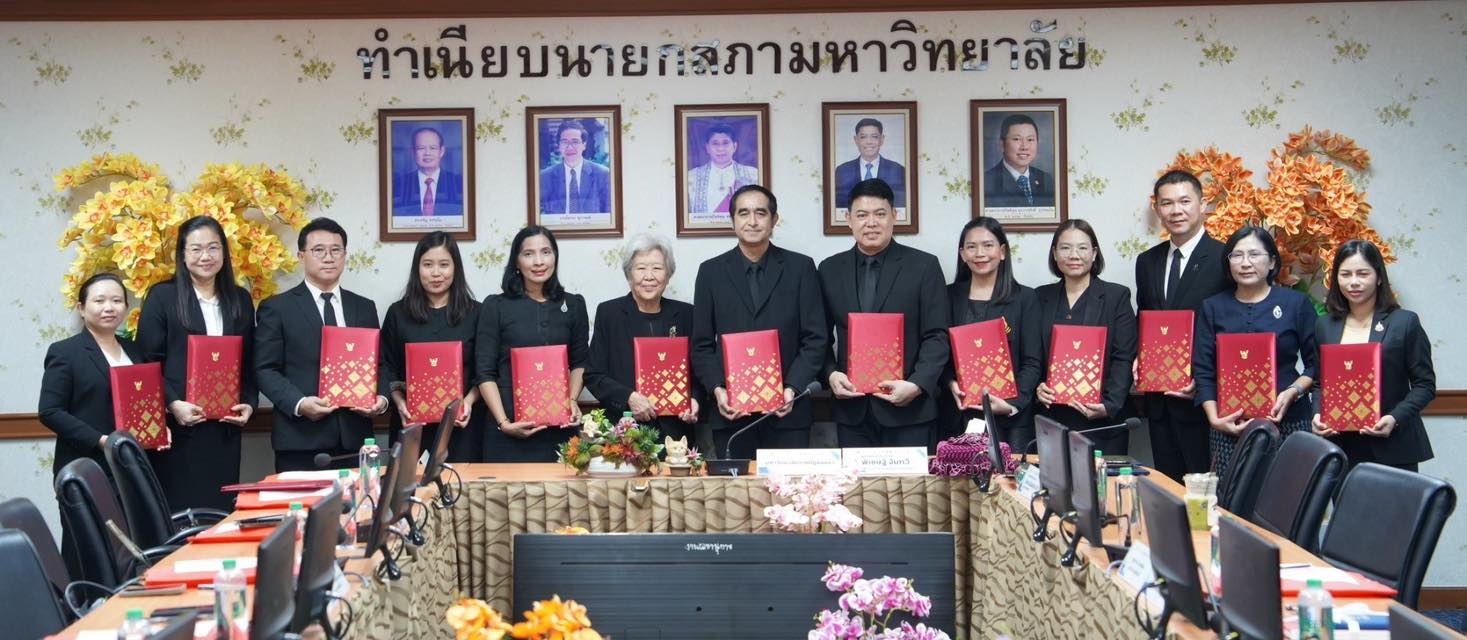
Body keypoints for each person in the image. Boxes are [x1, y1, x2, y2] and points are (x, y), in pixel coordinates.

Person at [691, 184, 827, 458]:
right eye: (743, 213)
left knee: (790, 486)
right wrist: (718, 390)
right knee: (737, 486)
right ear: (732, 221)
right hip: (730, 413)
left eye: (760, 213)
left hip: (788, 413)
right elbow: (701, 344)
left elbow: (816, 338)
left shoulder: (801, 268)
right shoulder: (710, 272)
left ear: (774, 220)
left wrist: (792, 388)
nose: (752, 221)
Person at [136, 216, 257, 511]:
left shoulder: (240, 299)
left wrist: (249, 403)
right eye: (196, 249)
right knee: (183, 514)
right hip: (180, 429)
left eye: (213, 248)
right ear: (182, 254)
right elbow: (146, 361)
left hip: (225, 430)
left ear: (224, 252)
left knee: (220, 513)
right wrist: (172, 403)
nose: (206, 256)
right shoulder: (162, 296)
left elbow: (249, 361)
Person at [819, 179, 947, 447]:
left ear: (894, 216)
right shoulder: (829, 269)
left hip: (910, 411)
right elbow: (819, 336)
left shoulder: (924, 266)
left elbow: (937, 335)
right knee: (856, 478)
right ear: (848, 219)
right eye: (861, 215)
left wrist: (917, 384)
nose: (871, 223)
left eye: (880, 214)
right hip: (852, 412)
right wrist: (830, 374)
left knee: (913, 478)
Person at [255, 218, 389, 472]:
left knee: (359, 499)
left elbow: (379, 364)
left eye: (336, 250)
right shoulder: (277, 308)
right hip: (300, 441)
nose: (328, 258)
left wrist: (380, 400)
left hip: (355, 440)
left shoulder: (363, 307)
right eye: (319, 250)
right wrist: (299, 403)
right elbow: (265, 369)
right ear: (301, 256)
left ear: (344, 256)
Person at [38, 273, 143, 579]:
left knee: (128, 552)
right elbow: (50, 411)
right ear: (82, 308)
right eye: (99, 300)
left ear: (125, 307)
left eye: (117, 300)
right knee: (86, 551)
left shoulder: (135, 351)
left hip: (128, 467)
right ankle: (81, 606)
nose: (109, 307)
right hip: (86, 465)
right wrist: (100, 439)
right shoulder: (65, 351)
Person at [1194, 226, 1319, 479]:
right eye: (1237, 255)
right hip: (1229, 425)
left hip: (1289, 420)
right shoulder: (1212, 307)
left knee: (1289, 495)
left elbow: (1317, 364)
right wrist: (1214, 418)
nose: (1245, 263)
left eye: (1254, 254)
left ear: (1272, 261)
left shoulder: (1295, 304)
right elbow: (1203, 369)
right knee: (1230, 498)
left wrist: (1293, 392)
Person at [1134, 170, 1231, 481]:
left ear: (1202, 204)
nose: (1176, 210)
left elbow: (1235, 329)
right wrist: (1139, 356)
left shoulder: (1225, 258)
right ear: (1157, 209)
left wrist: (1205, 381)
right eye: (1167, 203)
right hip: (1159, 401)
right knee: (1168, 489)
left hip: (1204, 403)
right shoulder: (1147, 261)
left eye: (1185, 201)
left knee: (1207, 494)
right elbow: (1145, 318)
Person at [1311, 240, 1435, 472]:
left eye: (1363, 274)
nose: (1353, 282)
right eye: (1345, 274)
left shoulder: (1404, 322)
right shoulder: (1325, 325)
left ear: (1378, 277)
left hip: (1393, 445)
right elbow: (1319, 383)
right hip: (1340, 447)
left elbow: (1425, 385)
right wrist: (1317, 413)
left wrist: (1394, 418)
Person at [474, 226, 588, 462]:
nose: (539, 261)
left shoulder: (574, 305)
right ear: (516, 261)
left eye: (546, 252)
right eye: (528, 254)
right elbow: (484, 372)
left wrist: (571, 400)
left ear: (555, 256)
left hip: (560, 429)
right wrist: (504, 422)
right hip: (507, 428)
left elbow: (580, 362)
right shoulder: (495, 306)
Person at [584, 233, 702, 445]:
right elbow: (593, 375)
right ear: (629, 274)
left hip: (676, 435)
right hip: (625, 434)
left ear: (668, 275)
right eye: (640, 268)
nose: (649, 276)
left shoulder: (687, 314)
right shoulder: (609, 314)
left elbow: (700, 369)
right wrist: (629, 397)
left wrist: (695, 399)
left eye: (657, 268)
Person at [1034, 220, 1138, 455]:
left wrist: (1108, 405)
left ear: (1094, 253)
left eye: (1082, 248)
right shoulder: (1040, 297)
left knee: (1101, 479)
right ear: (1054, 254)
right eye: (1065, 248)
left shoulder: (1116, 296)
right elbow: (1032, 355)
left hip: (1102, 419)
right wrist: (1037, 388)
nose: (1074, 255)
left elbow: (1123, 356)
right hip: (1052, 417)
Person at [941, 217, 1044, 451]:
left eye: (988, 245)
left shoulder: (1025, 298)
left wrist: (1012, 404)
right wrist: (950, 382)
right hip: (958, 415)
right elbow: (938, 350)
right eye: (971, 247)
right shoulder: (947, 296)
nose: (980, 253)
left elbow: (1032, 362)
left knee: (1007, 475)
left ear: (1002, 251)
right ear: (962, 254)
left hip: (1011, 422)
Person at [381, 231, 483, 462]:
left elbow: (485, 370)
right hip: (411, 424)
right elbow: (387, 367)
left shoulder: (477, 313)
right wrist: (400, 403)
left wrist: (468, 402)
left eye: (444, 264)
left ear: (456, 268)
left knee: (463, 484)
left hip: (463, 426)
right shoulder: (398, 313)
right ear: (417, 268)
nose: (436, 273)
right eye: (428, 264)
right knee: (411, 485)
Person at [538, 120, 612, 214]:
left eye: (575, 142)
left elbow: (609, 214)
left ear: (584, 145)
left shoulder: (603, 175)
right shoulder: (545, 177)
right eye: (564, 142)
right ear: (559, 145)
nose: (569, 147)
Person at [982, 114, 1054, 208]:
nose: (1024, 147)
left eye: (1030, 139)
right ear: (1002, 145)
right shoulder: (986, 181)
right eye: (1017, 139)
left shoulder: (1046, 179)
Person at [833, 118, 907, 209]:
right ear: (856, 140)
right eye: (863, 137)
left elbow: (901, 206)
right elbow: (839, 206)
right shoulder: (842, 171)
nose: (869, 142)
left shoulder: (898, 171)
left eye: (874, 136)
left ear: (882, 139)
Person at [686, 123, 760, 214]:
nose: (721, 149)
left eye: (725, 143)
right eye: (715, 143)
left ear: (734, 146)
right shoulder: (691, 177)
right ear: (707, 148)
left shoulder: (754, 175)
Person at [392, 127, 465, 216]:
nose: (427, 153)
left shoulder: (459, 183)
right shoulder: (399, 184)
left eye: (433, 148)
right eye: (421, 148)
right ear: (413, 152)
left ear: (441, 151)